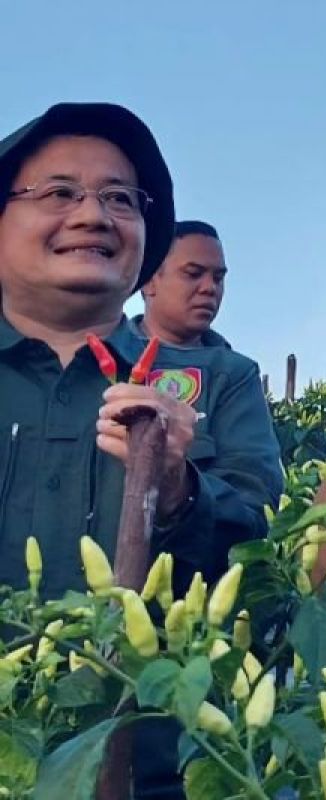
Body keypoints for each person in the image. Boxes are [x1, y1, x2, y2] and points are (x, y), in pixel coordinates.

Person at [0, 101, 282, 797]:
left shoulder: (219, 379)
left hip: (160, 773)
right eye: (59, 193)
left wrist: (181, 489)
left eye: (120, 199)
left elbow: (268, 570)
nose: (94, 215)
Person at [136, 219, 230, 347]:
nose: (210, 288)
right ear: (148, 280)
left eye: (218, 278)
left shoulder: (238, 366)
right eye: (193, 274)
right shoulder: (108, 354)